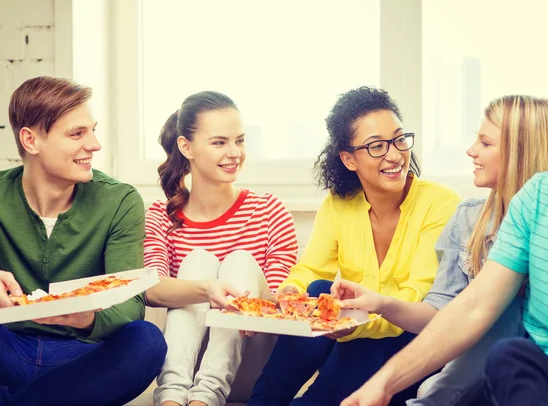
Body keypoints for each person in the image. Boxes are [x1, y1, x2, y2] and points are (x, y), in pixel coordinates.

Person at [0, 77, 238, 406]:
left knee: (147, 340)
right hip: (0, 353)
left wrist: (89, 319)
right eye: (77, 134)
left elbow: (131, 306)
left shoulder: (119, 200)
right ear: (31, 140)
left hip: (84, 366)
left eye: (93, 130)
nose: (95, 145)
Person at [248, 86, 461, 406]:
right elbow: (312, 268)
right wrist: (291, 289)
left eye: (399, 139)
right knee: (318, 290)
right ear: (349, 159)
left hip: (411, 344)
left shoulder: (441, 203)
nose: (394, 154)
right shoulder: (339, 204)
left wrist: (352, 324)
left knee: (360, 328)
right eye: (377, 146)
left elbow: (416, 300)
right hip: (357, 336)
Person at [335, 95, 548, 405]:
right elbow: (464, 309)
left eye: (485, 143)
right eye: (377, 146)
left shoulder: (438, 203)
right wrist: (380, 304)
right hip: (501, 359)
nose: (471, 150)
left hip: (496, 354)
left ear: (519, 151)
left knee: (506, 317)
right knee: (506, 340)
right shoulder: (518, 203)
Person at [143, 90, 298, 406]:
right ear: (186, 147)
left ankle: (205, 399)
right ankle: (171, 398)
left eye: (239, 141)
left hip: (248, 357)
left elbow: (280, 301)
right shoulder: (161, 216)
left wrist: (249, 302)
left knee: (240, 260)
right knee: (198, 260)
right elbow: (152, 291)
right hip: (184, 357)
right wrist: (207, 290)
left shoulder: (269, 211)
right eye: (219, 142)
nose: (234, 152)